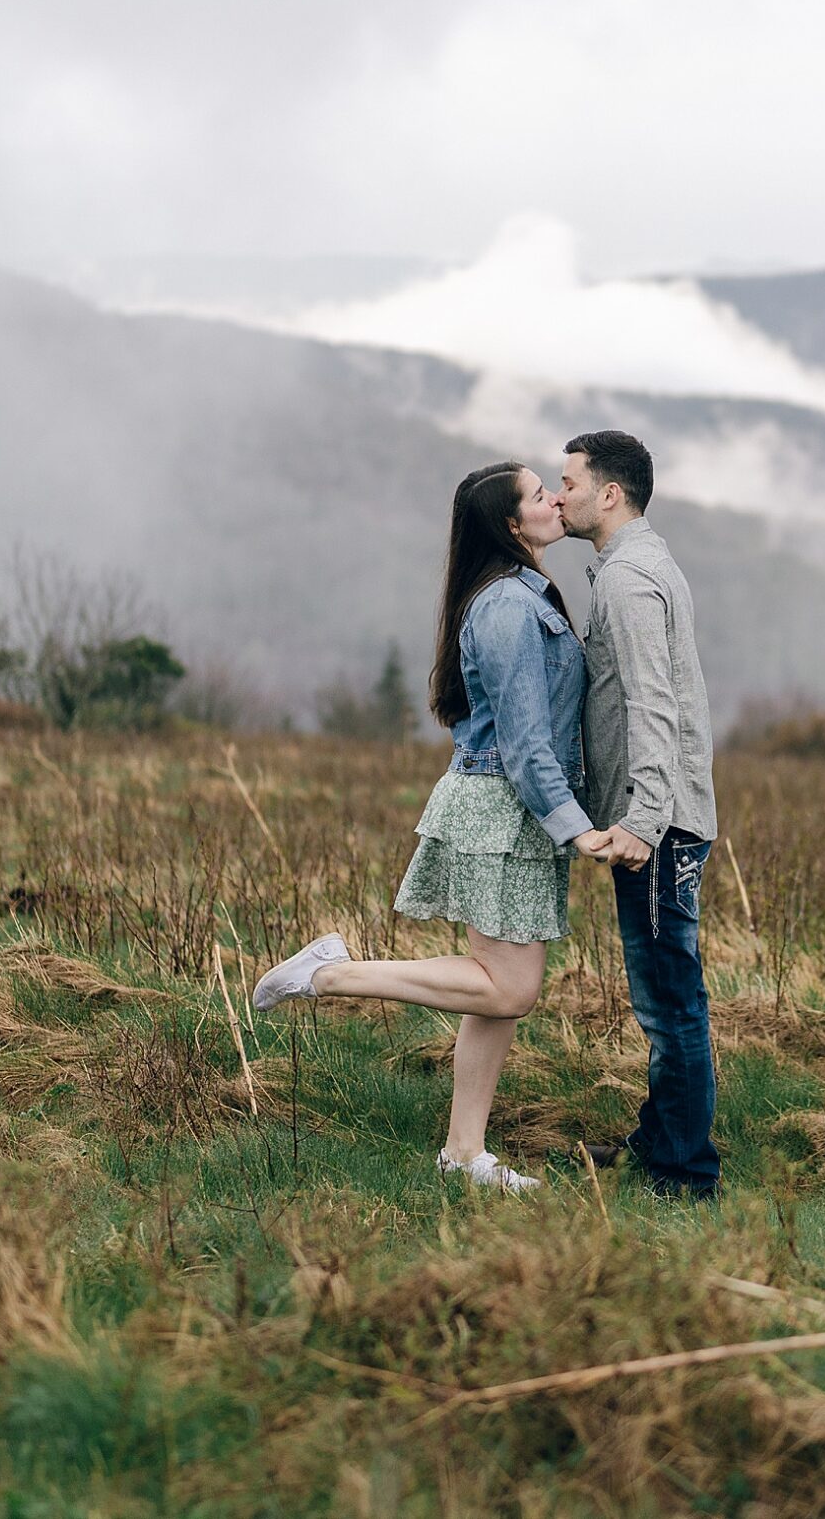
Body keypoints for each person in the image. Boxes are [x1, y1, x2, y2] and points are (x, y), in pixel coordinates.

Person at [253, 460, 611, 1194]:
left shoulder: (520, 592)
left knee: (493, 990)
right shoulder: (509, 607)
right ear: (514, 525)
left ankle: (463, 1153)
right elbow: (523, 740)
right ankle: (326, 973)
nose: (556, 500)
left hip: (510, 811)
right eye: (541, 494)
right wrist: (576, 828)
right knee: (507, 989)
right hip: (501, 811)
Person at [559, 430, 722, 1200]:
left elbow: (653, 706)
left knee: (670, 1002)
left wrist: (644, 819)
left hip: (656, 825)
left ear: (609, 494)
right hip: (663, 817)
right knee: (666, 991)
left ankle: (685, 1175)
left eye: (569, 483)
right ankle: (660, 1138)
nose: (559, 497)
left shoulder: (628, 580)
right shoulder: (640, 565)